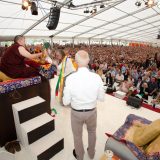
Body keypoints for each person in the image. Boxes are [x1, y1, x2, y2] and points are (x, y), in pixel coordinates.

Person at [63, 50, 105, 160]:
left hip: (76, 112)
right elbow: (101, 98)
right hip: (91, 111)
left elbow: (65, 102)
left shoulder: (70, 78)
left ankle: (79, 156)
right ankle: (91, 153)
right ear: (88, 61)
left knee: (77, 136)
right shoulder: (97, 77)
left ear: (75, 62)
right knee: (92, 132)